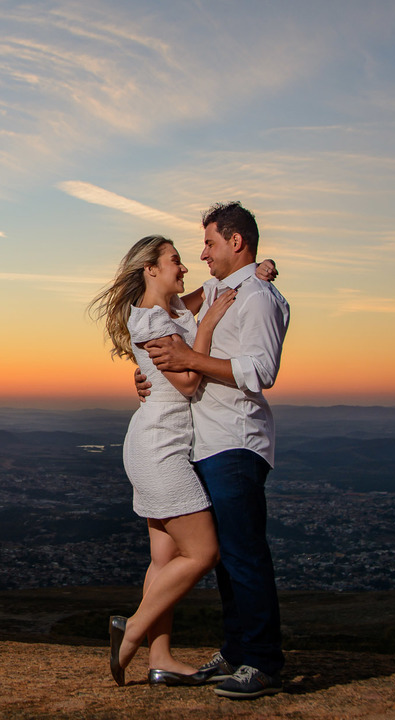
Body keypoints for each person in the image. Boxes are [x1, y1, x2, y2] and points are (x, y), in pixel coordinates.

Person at [88, 235, 276, 689]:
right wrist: (208, 324)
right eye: (175, 260)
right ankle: (131, 630)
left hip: (162, 442)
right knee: (204, 551)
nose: (186, 267)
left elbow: (213, 291)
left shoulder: (172, 309)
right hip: (161, 446)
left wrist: (257, 269)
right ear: (150, 268)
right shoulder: (153, 320)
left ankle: (161, 657)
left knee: (164, 558)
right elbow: (189, 384)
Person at [139, 201, 290, 700]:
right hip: (207, 442)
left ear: (236, 241)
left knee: (245, 555)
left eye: (208, 243)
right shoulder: (228, 292)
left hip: (236, 441)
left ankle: (263, 661)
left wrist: (191, 359)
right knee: (226, 557)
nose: (201, 254)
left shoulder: (259, 299)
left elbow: (260, 370)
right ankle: (237, 649)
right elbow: (175, 325)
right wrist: (156, 375)